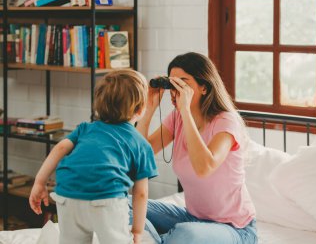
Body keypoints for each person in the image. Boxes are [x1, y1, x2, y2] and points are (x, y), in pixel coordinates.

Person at [136, 52, 258, 244]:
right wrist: (149, 109)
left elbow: (204, 167)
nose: (177, 91)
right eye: (173, 84)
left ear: (203, 87)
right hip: (192, 219)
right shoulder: (176, 118)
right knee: (123, 204)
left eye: (183, 83)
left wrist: (185, 111)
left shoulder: (226, 121)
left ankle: (162, 239)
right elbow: (141, 156)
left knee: (187, 234)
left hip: (235, 229)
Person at [29, 69, 158, 244]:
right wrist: (137, 230)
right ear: (141, 108)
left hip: (68, 195)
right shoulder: (140, 143)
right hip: (107, 200)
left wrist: (39, 182)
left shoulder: (85, 129)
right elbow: (141, 193)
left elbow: (59, 148)